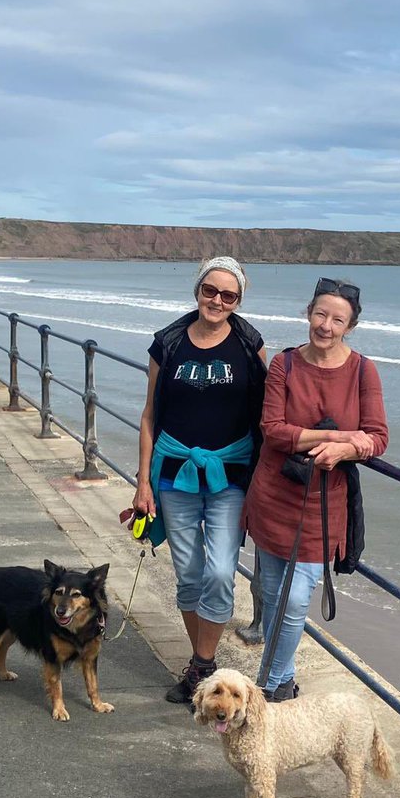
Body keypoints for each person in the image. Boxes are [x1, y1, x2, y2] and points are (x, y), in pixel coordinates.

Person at [243, 277, 388, 701]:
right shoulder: (284, 365)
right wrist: (337, 438)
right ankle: (283, 678)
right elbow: (272, 430)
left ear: (350, 326)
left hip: (323, 505)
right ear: (308, 312)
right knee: (271, 594)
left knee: (294, 601)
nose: (326, 325)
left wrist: (346, 447)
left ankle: (269, 688)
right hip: (273, 495)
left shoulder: (363, 370)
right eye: (320, 314)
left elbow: (377, 437)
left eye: (337, 319)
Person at [133, 257, 268, 704]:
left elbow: (271, 411)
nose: (217, 301)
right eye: (210, 291)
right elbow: (150, 414)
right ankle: (202, 665)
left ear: (239, 300)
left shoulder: (250, 343)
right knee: (188, 574)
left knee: (219, 571)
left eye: (228, 295)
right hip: (174, 474)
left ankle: (201, 666)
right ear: (198, 290)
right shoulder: (167, 343)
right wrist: (142, 484)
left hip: (231, 475)